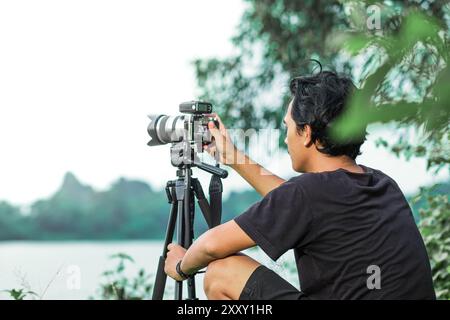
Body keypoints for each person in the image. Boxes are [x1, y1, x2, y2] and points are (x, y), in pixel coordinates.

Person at [164, 70, 436, 300]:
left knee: (222, 272)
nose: (285, 139)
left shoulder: (307, 194)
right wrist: (232, 156)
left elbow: (211, 246)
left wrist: (180, 265)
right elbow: (298, 203)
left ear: (306, 133)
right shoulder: (383, 184)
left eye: (287, 127)